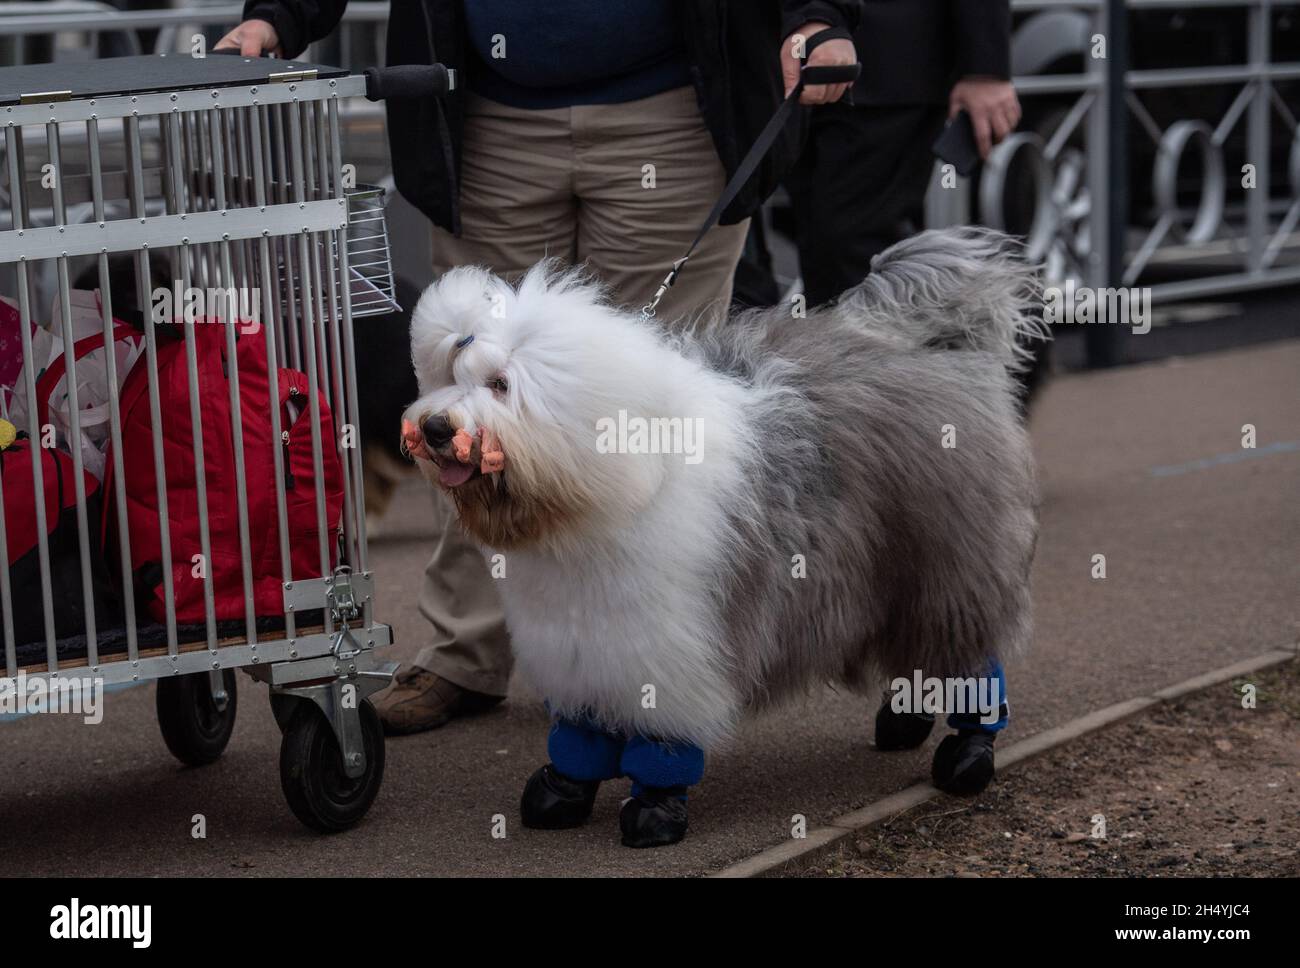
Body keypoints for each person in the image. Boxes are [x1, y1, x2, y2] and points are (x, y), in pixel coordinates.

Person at [218, 1, 861, 734]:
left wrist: (817, 14)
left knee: (657, 421)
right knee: (471, 406)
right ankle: (467, 652)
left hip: (678, 114)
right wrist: (278, 15)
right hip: (486, 116)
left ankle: (661, 661)